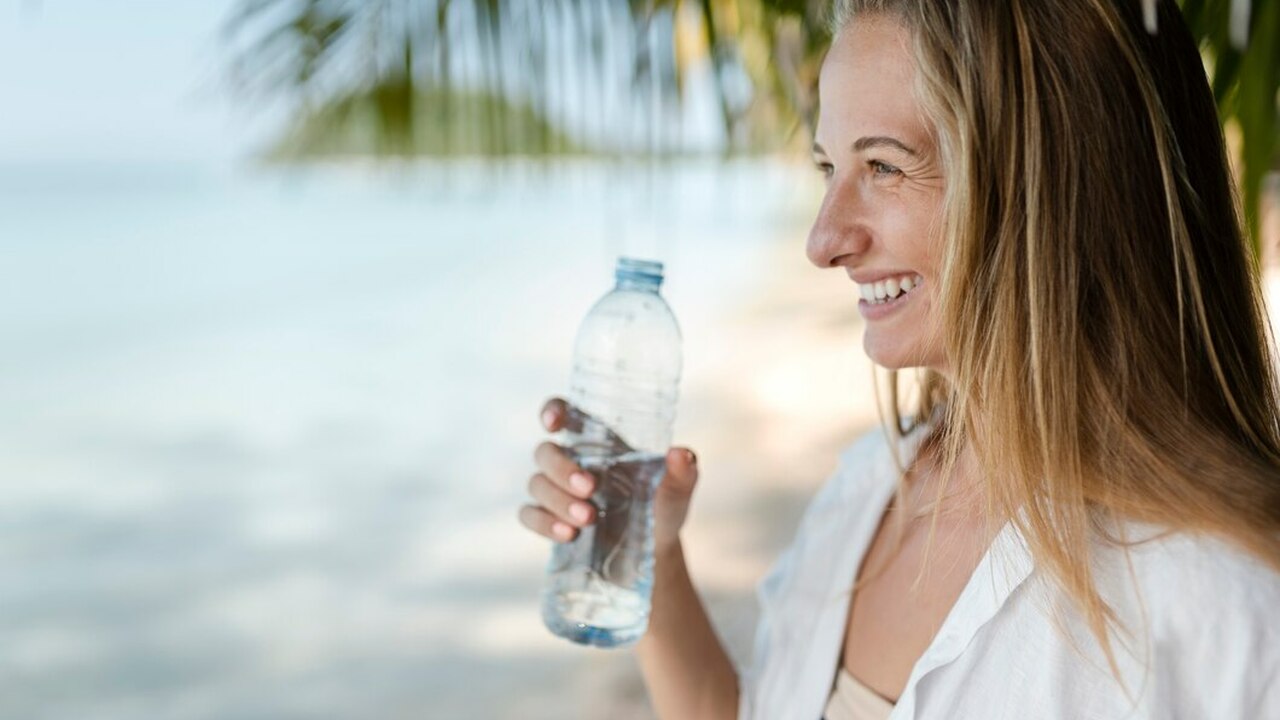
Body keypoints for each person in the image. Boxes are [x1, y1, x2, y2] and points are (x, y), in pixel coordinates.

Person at [519, 0, 1280, 717]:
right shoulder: (868, 490)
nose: (823, 241)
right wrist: (654, 555)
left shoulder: (1223, 605)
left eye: (883, 167)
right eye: (828, 169)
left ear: (1053, 180)